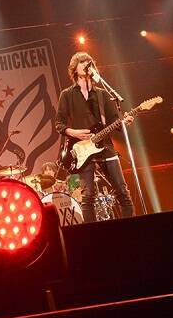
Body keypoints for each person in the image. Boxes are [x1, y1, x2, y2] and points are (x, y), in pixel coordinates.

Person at [55, 52, 135, 222]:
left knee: (122, 192)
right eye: (81, 62)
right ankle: (91, 232)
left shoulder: (102, 94)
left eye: (88, 62)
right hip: (83, 149)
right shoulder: (67, 95)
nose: (86, 64)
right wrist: (73, 132)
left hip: (105, 147)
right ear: (74, 69)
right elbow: (59, 124)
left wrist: (124, 121)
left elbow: (114, 121)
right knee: (88, 196)